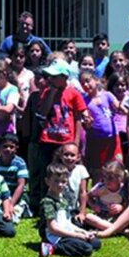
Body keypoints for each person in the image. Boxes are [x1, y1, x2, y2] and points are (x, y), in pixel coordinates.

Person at [29, 59, 88, 213]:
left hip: (65, 140)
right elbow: (42, 113)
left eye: (55, 77)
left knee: (64, 175)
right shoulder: (47, 92)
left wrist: (74, 143)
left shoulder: (73, 93)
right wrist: (52, 94)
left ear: (64, 77)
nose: (51, 80)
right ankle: (45, 205)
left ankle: (65, 205)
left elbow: (78, 118)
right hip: (48, 139)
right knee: (47, 173)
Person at [38, 163, 101, 257]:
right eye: (56, 181)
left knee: (96, 243)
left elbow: (68, 223)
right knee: (87, 249)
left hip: (66, 232)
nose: (60, 185)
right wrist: (77, 235)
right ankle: (51, 247)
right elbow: (53, 228)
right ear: (47, 181)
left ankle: (74, 242)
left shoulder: (63, 200)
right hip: (55, 237)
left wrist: (84, 232)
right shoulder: (48, 202)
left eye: (63, 182)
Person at [80, 69, 122, 177]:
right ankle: (97, 192)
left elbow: (118, 107)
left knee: (116, 167)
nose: (85, 84)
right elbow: (86, 122)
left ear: (96, 81)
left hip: (112, 138)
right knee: (98, 170)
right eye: (82, 83)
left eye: (88, 81)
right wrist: (88, 123)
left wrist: (123, 107)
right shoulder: (84, 101)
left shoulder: (107, 95)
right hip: (96, 140)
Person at [84, 160, 129, 239]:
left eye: (111, 178)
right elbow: (88, 196)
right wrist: (94, 206)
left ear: (120, 178)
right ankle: (123, 231)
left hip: (119, 218)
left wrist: (122, 207)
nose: (107, 181)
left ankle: (106, 232)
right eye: (105, 177)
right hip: (103, 217)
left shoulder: (124, 188)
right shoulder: (100, 188)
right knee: (88, 217)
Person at [0, 134, 29, 222]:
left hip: (15, 197)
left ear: (16, 148)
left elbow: (21, 185)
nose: (8, 149)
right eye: (5, 146)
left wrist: (11, 204)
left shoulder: (20, 163)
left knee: (12, 218)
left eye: (11, 147)